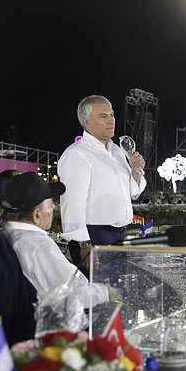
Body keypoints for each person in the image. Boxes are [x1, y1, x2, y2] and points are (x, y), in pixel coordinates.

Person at [58, 95, 146, 272]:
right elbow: (72, 205)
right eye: (103, 116)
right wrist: (84, 245)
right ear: (87, 122)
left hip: (119, 235)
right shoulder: (77, 154)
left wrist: (135, 170)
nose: (111, 120)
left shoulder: (117, 151)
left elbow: (133, 192)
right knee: (98, 294)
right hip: (94, 236)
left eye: (112, 115)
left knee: (116, 293)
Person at [0, 172, 111, 306]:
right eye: (50, 203)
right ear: (37, 215)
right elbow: (75, 295)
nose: (53, 207)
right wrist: (107, 292)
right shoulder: (38, 246)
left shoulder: (5, 234)